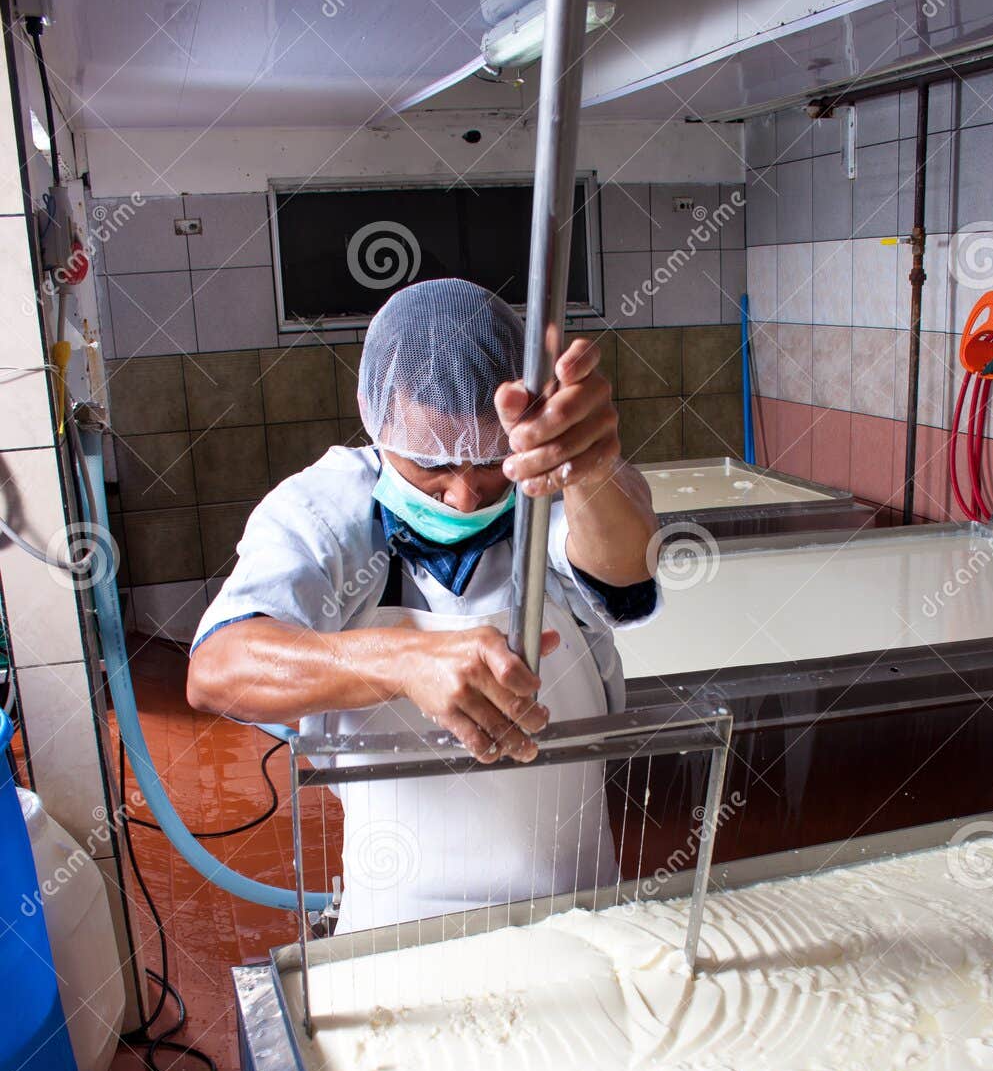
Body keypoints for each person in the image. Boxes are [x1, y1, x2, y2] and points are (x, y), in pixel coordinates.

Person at [187, 278, 661, 930]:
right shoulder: (324, 511)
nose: (463, 497)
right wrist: (400, 660)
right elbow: (217, 672)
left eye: (490, 462)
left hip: (578, 914)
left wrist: (590, 466)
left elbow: (627, 582)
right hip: (394, 926)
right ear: (376, 421)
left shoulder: (555, 486)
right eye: (429, 465)